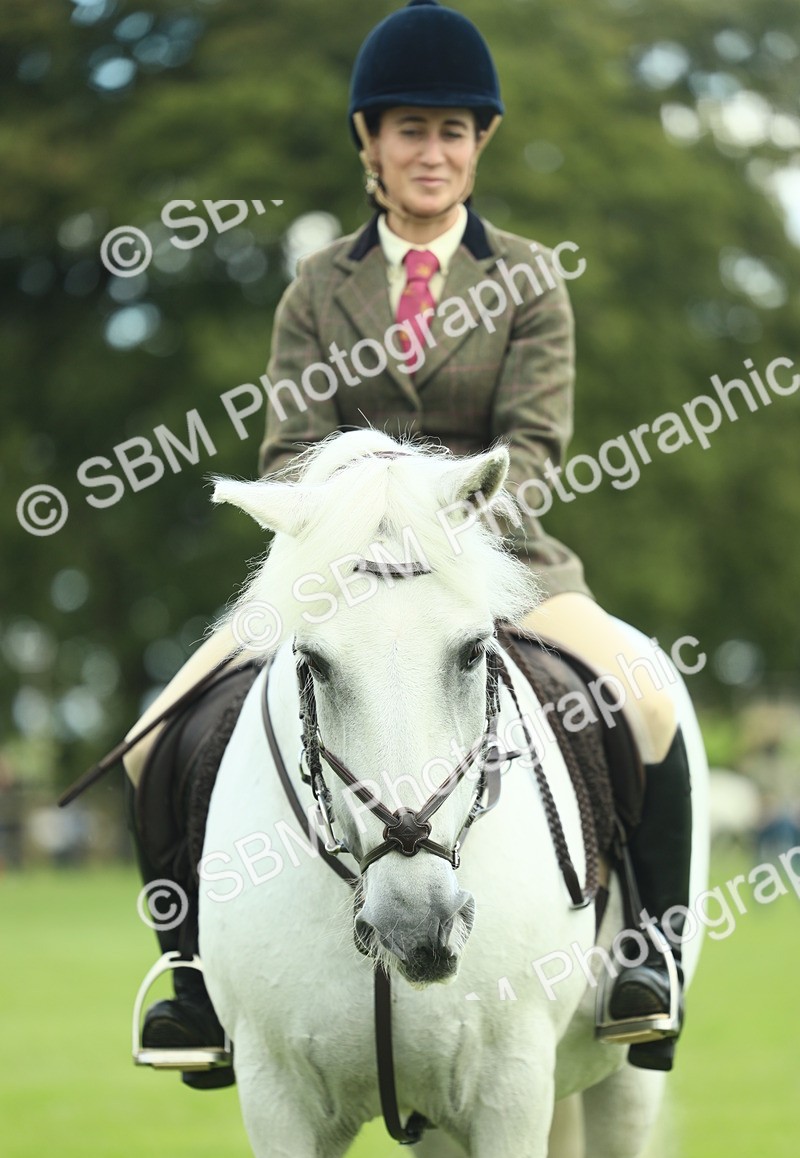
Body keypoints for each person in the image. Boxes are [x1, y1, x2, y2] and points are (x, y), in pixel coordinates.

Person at [125, 0, 692, 1080]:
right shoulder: (314, 287)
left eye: (452, 132)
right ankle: (191, 981)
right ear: (369, 144)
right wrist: (360, 522)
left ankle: (644, 955)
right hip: (338, 570)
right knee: (156, 736)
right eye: (410, 130)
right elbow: (291, 449)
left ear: (479, 144)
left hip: (502, 561)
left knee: (648, 703)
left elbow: (534, 446)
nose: (431, 152)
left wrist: (440, 528)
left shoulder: (529, 278)